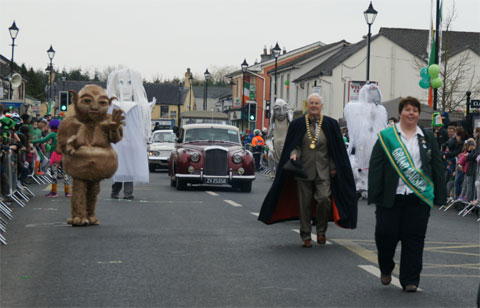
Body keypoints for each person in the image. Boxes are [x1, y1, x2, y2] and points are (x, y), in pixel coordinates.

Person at [368, 96, 446, 292]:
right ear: (401, 112)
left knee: (414, 238)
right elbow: (376, 166)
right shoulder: (387, 136)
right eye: (408, 109)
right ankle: (386, 267)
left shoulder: (427, 138)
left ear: (418, 115)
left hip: (418, 197)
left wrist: (440, 195)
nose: (411, 113)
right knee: (385, 235)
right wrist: (374, 194)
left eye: (415, 110)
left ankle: (410, 279)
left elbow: (436, 165)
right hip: (391, 196)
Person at [258, 93, 357, 247]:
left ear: (321, 106)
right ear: (307, 105)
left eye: (317, 103)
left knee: (324, 200)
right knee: (304, 205)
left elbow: (335, 150)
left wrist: (333, 167)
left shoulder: (330, 124)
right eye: (311, 103)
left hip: (324, 171)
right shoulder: (298, 124)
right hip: (303, 171)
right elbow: (294, 146)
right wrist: (293, 155)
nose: (314, 106)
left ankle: (321, 231)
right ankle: (305, 236)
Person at [107, 68, 155, 200]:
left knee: (126, 168)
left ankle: (124, 192)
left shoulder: (138, 107)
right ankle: (121, 191)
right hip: (121, 143)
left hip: (127, 144)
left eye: (129, 83)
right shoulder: (114, 105)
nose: (126, 88)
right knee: (122, 167)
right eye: (121, 83)